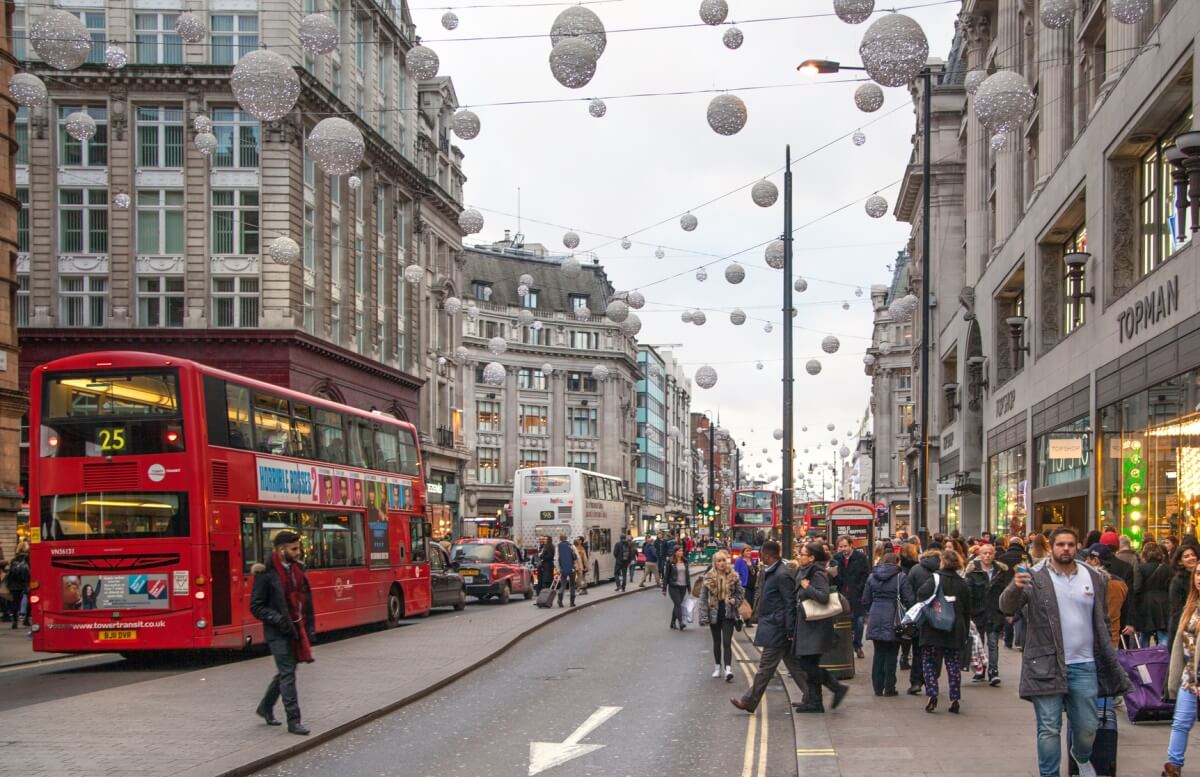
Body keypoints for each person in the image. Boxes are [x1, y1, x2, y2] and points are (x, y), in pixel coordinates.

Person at [999, 527, 1131, 777]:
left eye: (1070, 544)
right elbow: (1007, 607)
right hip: (1046, 663)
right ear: (1051, 547)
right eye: (1060, 544)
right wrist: (1015, 587)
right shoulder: (1034, 575)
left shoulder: (1094, 577)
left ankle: (1080, 756)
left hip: (1085, 664)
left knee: (1088, 727)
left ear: (1078, 546)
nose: (1066, 549)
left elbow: (1101, 617)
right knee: (1049, 727)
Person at [731, 541, 811, 713]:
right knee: (795, 667)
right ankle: (812, 696)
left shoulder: (781, 574)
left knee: (765, 668)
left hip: (778, 629)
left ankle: (749, 701)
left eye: (761, 555)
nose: (760, 558)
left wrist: (789, 630)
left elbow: (789, 603)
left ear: (767, 555)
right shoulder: (773, 572)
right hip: (777, 626)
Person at [249, 529, 316, 736]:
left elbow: (306, 602)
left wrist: (309, 628)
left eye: (298, 548)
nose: (298, 552)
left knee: (287, 671)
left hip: (295, 628)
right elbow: (256, 606)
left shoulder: (297, 570)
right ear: (281, 550)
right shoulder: (265, 573)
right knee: (288, 672)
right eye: (294, 549)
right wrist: (277, 619)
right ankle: (294, 721)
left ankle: (265, 707)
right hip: (277, 631)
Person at [791, 542, 850, 712]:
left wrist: (807, 587)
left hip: (816, 626)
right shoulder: (804, 571)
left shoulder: (817, 573)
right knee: (808, 663)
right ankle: (814, 702)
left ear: (811, 557)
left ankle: (836, 687)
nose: (799, 556)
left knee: (808, 665)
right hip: (807, 624)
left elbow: (823, 597)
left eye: (802, 554)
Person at [915, 549, 971, 713]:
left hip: (934, 627)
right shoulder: (962, 582)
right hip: (954, 629)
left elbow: (921, 596)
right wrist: (965, 632)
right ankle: (954, 697)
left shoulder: (934, 579)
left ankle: (932, 693)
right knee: (953, 664)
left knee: (930, 662)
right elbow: (967, 609)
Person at [1164, 563, 1200, 777]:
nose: (1199, 578)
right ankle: (1173, 766)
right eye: (1197, 574)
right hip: (1189, 675)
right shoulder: (1192, 603)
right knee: (1180, 722)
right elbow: (1181, 641)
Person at [862, 551, 912, 696]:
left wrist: (873, 609)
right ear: (897, 562)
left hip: (876, 615)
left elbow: (865, 599)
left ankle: (877, 687)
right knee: (892, 653)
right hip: (894, 617)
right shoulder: (900, 577)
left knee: (878, 653)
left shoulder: (872, 576)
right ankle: (889, 687)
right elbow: (909, 599)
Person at [965, 542, 1011, 686]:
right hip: (977, 613)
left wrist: (1008, 612)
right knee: (979, 643)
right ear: (980, 555)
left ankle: (993, 671)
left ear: (994, 555)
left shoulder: (1001, 571)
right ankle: (980, 670)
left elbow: (1007, 592)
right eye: (984, 553)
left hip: (995, 612)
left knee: (993, 643)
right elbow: (968, 592)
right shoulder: (973, 571)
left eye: (990, 553)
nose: (987, 556)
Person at [699, 550, 746, 681]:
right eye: (719, 561)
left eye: (724, 560)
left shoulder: (733, 576)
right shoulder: (708, 577)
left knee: (727, 642)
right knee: (717, 642)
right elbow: (702, 598)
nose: (721, 563)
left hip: (728, 612)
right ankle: (717, 667)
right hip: (714, 611)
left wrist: (734, 601)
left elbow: (741, 594)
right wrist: (703, 616)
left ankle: (728, 669)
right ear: (715, 563)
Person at [903, 549, 943, 694]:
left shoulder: (915, 569)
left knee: (918, 650)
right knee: (937, 651)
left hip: (920, 615)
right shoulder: (941, 570)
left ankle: (916, 681)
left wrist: (913, 608)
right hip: (938, 616)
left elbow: (908, 591)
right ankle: (931, 681)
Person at [829, 535, 870, 659]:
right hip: (842, 594)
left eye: (845, 546)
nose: (843, 549)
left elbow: (865, 575)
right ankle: (845, 646)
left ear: (851, 545)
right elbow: (834, 578)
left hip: (856, 594)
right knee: (844, 621)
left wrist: (859, 589)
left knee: (859, 621)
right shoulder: (836, 558)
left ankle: (857, 645)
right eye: (840, 546)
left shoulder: (861, 557)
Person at [1084, 544, 1131, 648]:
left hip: (1089, 642)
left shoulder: (1088, 582)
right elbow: (1124, 613)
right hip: (1112, 641)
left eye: (1087, 560)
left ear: (1095, 560)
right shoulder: (1120, 584)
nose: (1085, 563)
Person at [1138, 541, 1172, 647]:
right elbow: (1170, 587)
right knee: (1163, 634)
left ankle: (1144, 658)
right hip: (1164, 604)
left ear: (1144, 554)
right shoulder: (1168, 568)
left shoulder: (1141, 568)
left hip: (1146, 603)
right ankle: (1162, 658)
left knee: (1144, 635)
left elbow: (1137, 588)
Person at [1171, 545, 1200, 640]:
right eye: (1186, 556)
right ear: (1180, 561)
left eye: (1193, 555)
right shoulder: (1177, 581)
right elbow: (1177, 610)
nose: (1191, 558)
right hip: (1186, 630)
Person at [662, 545, 691, 629]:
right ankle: (681, 622)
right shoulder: (670, 562)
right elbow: (666, 575)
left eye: (681, 551)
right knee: (678, 604)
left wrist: (689, 588)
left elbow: (687, 575)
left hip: (683, 586)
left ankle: (672, 622)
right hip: (673, 586)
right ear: (675, 552)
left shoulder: (685, 561)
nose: (681, 552)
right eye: (679, 551)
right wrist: (664, 589)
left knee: (677, 605)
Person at [7, 542, 30, 629]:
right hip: (25, 582)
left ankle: (14, 621)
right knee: (28, 600)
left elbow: (11, 573)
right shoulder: (28, 558)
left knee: (15, 602)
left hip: (14, 584)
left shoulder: (14, 559)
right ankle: (26, 619)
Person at [555, 534, 577, 607]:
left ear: (560, 539)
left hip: (563, 569)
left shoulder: (558, 547)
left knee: (563, 585)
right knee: (572, 585)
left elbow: (556, 559)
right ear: (566, 538)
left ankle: (560, 600)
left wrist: (558, 569)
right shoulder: (571, 546)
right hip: (572, 568)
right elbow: (576, 557)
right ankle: (572, 602)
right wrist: (577, 566)